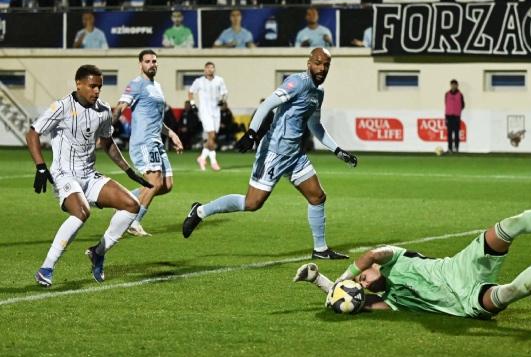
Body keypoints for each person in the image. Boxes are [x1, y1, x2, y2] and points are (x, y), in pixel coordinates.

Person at [295, 179, 531, 317]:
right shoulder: (393, 302)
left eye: (362, 276)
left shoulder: (393, 258)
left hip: (461, 266)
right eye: (361, 284)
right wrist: (320, 281)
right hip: (464, 303)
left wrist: (343, 277)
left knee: (510, 225)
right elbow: (355, 304)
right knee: (509, 292)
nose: (362, 281)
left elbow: (371, 255)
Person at [182, 48, 357, 260]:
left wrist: (337, 150)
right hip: (273, 152)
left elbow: (315, 125)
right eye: (318, 63)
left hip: (295, 155)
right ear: (309, 63)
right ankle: (200, 211)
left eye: (326, 65)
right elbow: (267, 104)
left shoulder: (318, 93)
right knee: (252, 203)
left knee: (317, 196)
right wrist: (251, 133)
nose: (322, 68)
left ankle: (320, 249)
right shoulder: (297, 82)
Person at [28, 64, 152, 287]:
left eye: (99, 87)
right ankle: (46, 268)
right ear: (79, 84)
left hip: (89, 175)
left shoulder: (103, 110)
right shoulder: (61, 107)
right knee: (82, 212)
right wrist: (40, 166)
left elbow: (107, 143)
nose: (97, 91)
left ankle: (98, 252)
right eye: (92, 86)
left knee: (132, 205)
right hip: (65, 174)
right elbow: (33, 133)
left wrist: (128, 170)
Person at [113, 50, 184, 237]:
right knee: (154, 182)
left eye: (154, 61)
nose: (152, 64)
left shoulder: (157, 86)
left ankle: (123, 200)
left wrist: (172, 134)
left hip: (157, 141)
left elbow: (156, 119)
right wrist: (108, 127)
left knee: (166, 185)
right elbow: (120, 107)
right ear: (140, 64)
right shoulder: (136, 84)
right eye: (147, 61)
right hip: (144, 141)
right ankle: (134, 221)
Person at [189, 61, 228, 171]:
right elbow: (191, 92)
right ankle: (214, 162)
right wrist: (192, 104)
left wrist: (223, 100)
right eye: (208, 68)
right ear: (204, 70)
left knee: (212, 137)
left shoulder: (219, 80)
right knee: (212, 135)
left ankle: (202, 158)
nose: (210, 69)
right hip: (205, 112)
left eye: (212, 68)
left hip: (216, 111)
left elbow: (225, 93)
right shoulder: (199, 81)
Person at [445, 79, 465, 154]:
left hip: (456, 117)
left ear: (457, 85)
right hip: (448, 116)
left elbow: (463, 105)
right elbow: (446, 104)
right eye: (452, 85)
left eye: (454, 85)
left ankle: (456, 148)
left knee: (456, 133)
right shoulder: (447, 94)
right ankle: (449, 149)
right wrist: (447, 115)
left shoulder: (460, 94)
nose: (453, 86)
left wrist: (457, 110)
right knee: (449, 133)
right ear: (450, 85)